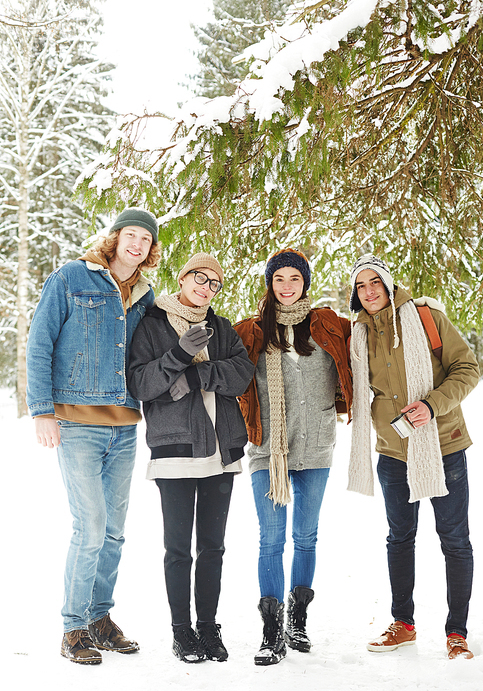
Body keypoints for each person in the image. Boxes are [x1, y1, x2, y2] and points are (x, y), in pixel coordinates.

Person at [26, 207, 161, 665]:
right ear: (116, 237)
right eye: (131, 234)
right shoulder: (71, 278)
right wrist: (42, 410)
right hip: (78, 423)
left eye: (146, 238)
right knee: (91, 528)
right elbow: (40, 342)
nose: (137, 244)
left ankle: (100, 618)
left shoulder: (146, 295)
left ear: (150, 249)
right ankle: (73, 628)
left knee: (116, 532)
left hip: (124, 426)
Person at [347, 254, 480, 659]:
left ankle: (456, 632)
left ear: (389, 284)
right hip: (392, 450)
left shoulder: (425, 317)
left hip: (444, 444)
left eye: (375, 283)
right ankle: (403, 624)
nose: (369, 292)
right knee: (399, 539)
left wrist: (433, 404)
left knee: (454, 540)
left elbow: (467, 368)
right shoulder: (358, 334)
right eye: (361, 286)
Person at [127, 252, 254, 664]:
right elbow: (141, 383)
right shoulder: (153, 324)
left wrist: (198, 374)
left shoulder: (220, 327)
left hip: (222, 451)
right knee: (178, 549)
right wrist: (178, 355)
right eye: (199, 278)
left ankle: (208, 627)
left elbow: (242, 373)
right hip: (175, 450)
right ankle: (182, 630)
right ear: (182, 278)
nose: (205, 287)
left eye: (214, 283)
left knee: (213, 548)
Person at [234, 248, 353, 666]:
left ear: (305, 282)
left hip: (317, 446)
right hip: (269, 451)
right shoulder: (250, 331)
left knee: (306, 537)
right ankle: (271, 631)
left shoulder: (326, 325)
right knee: (271, 538)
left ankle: (297, 620)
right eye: (279, 279)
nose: (287, 287)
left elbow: (374, 326)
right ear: (270, 283)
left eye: (294, 279)